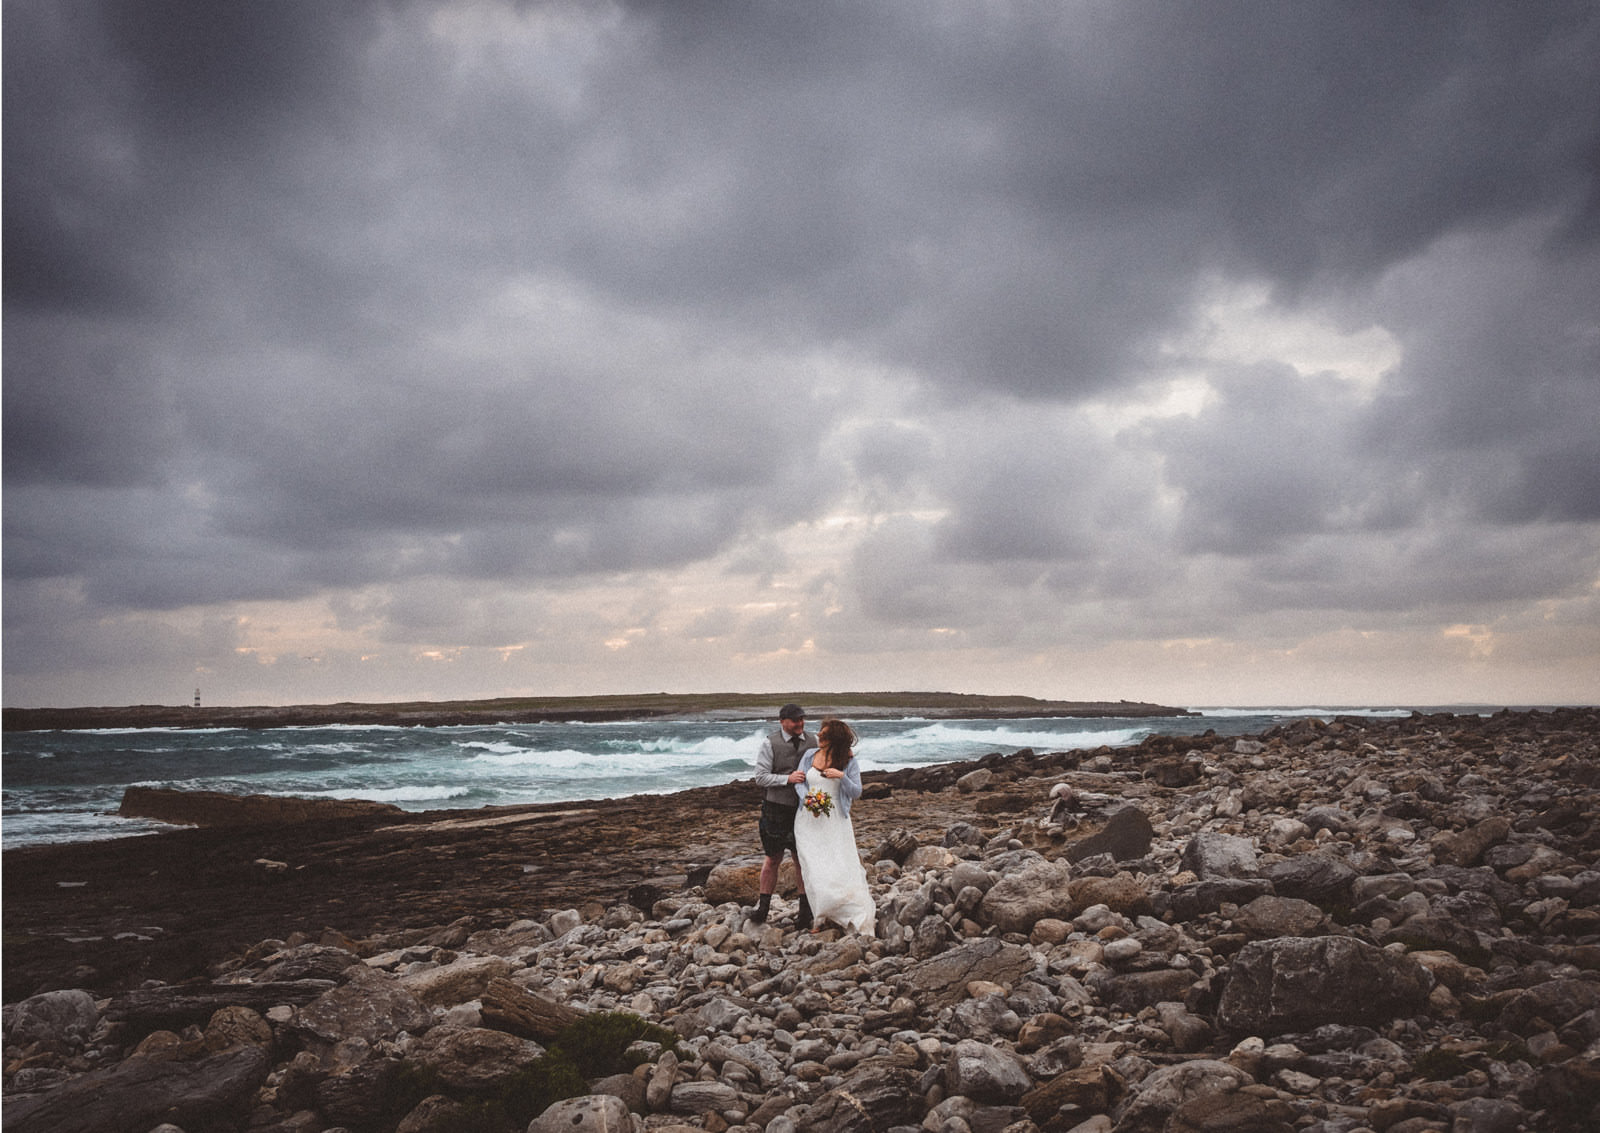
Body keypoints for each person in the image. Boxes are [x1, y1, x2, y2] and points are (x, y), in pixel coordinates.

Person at [792, 717, 875, 935]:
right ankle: (819, 916)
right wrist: (808, 800)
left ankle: (846, 911)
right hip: (807, 819)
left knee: (839, 864)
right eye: (820, 733)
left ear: (835, 739)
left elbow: (856, 791)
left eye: (825, 735)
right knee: (813, 865)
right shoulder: (809, 755)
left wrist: (840, 776)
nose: (819, 736)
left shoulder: (848, 761)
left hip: (836, 819)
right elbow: (800, 782)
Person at [750, 703, 815, 928]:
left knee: (801, 859)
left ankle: (805, 913)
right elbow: (760, 777)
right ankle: (763, 909)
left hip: (803, 810)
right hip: (775, 809)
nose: (800, 723)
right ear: (782, 721)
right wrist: (786, 779)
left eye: (802, 719)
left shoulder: (813, 742)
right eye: (795, 720)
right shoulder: (770, 743)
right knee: (773, 858)